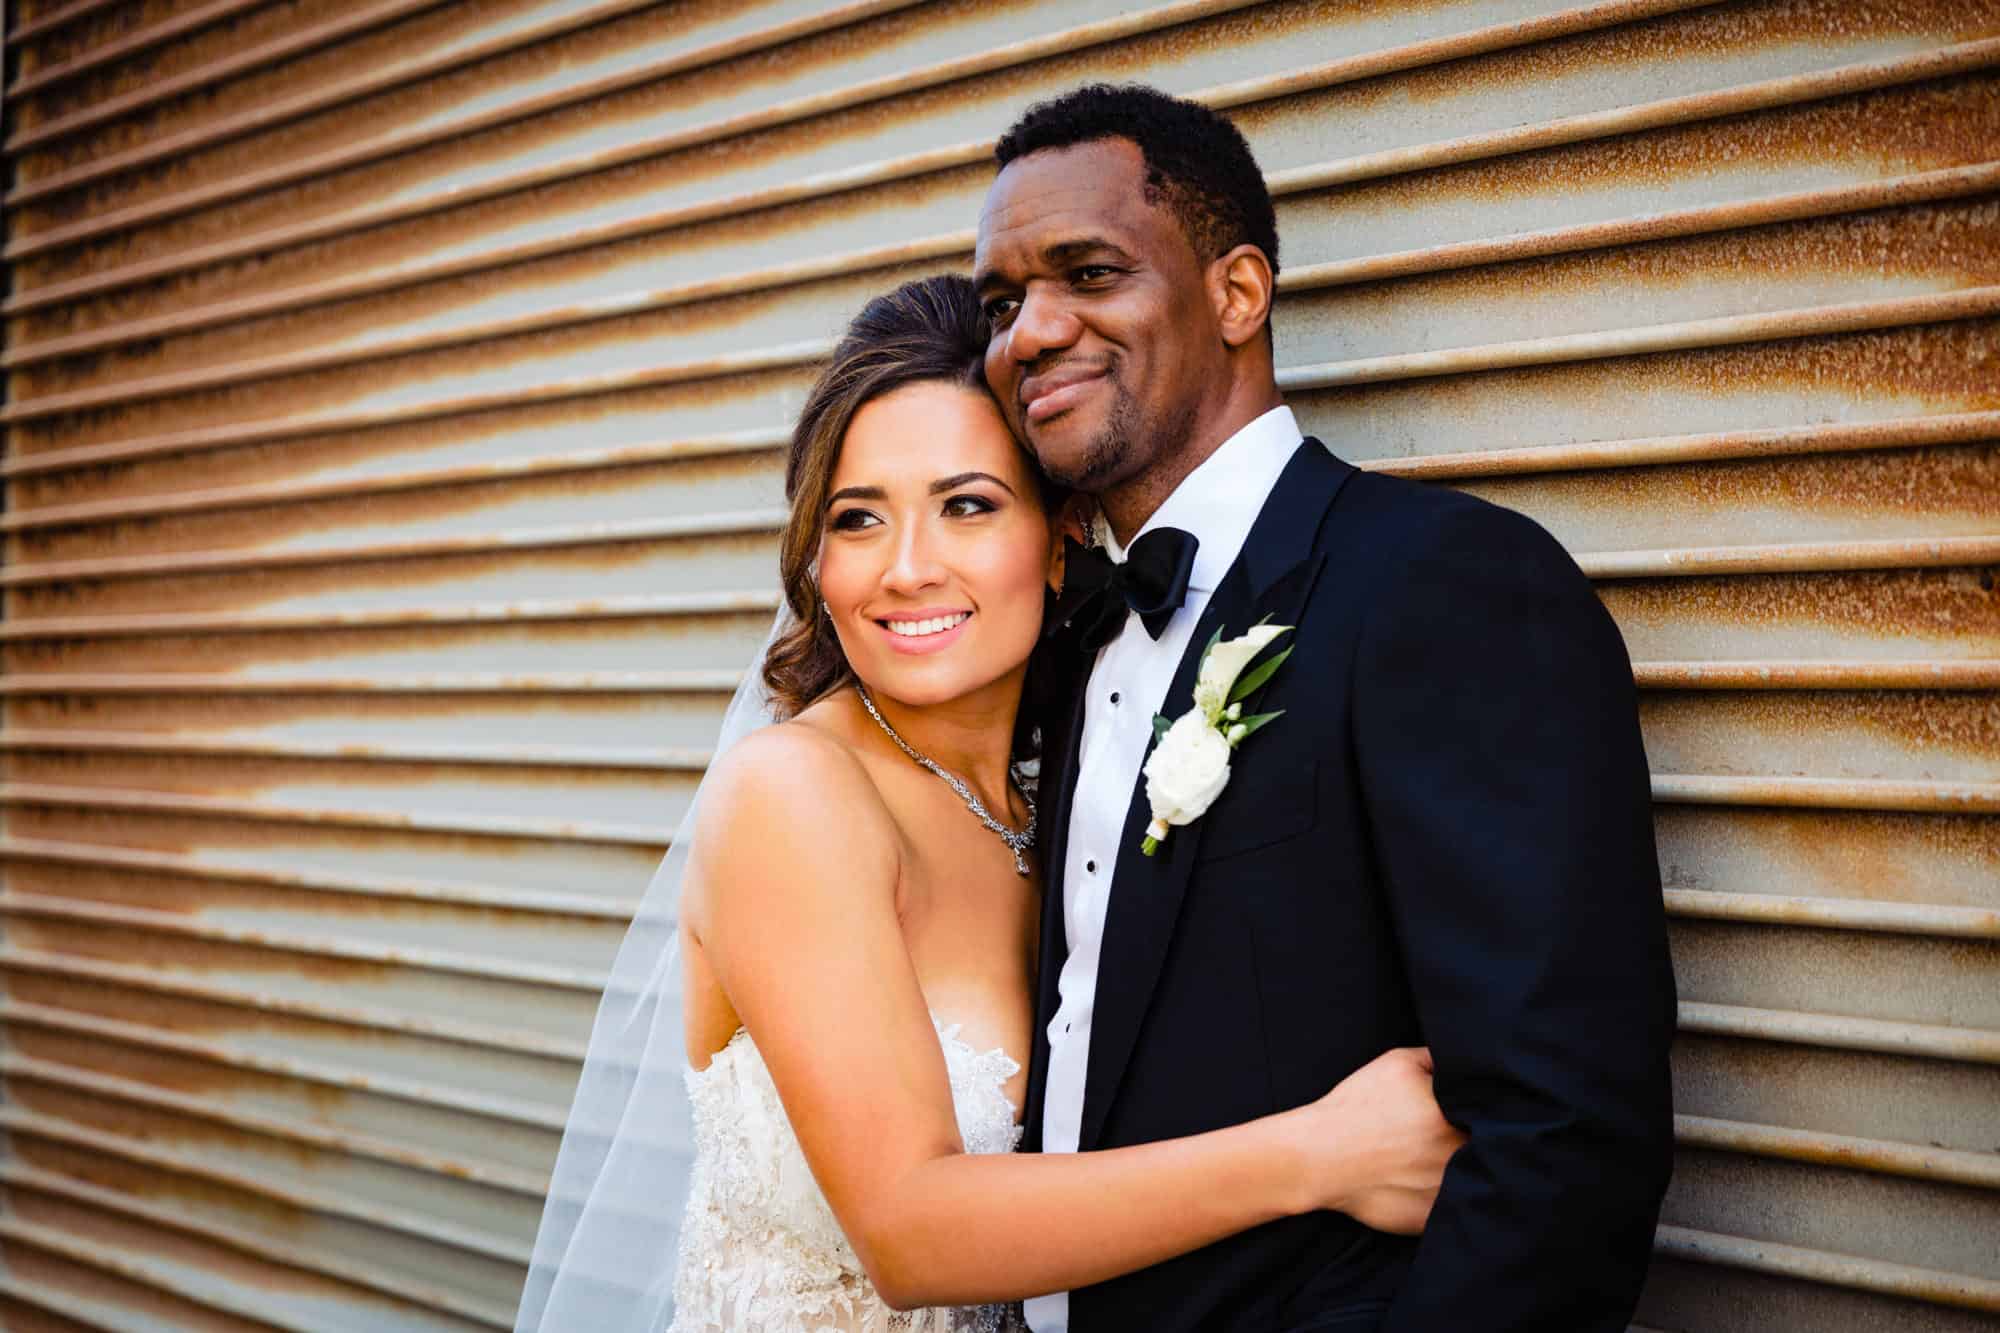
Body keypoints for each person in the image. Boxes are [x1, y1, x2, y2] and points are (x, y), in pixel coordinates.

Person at [515, 275, 1464, 1332]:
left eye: (965, 505)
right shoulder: (794, 792)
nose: (907, 568)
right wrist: (1318, 1154)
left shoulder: (1062, 791)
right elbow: (909, 1232)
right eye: (858, 518)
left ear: (1059, 536)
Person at [972, 84, 1680, 1333]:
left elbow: (1560, 1146)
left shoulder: (1446, 585)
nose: (1029, 331)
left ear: (1237, 294)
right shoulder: (1062, 637)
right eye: (1001, 301)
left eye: (1086, 272)